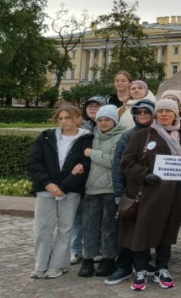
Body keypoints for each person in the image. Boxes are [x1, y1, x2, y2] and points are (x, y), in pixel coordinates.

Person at [119, 98, 181, 291]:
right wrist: (144, 175)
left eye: (169, 111)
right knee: (142, 231)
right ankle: (140, 269)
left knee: (166, 232)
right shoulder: (142, 136)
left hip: (174, 194)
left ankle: (162, 268)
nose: (164, 115)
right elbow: (126, 162)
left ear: (176, 115)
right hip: (148, 192)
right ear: (156, 115)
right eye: (161, 111)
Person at [27, 104, 93, 279]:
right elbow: (34, 162)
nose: (64, 121)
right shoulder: (46, 137)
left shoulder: (87, 139)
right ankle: (40, 265)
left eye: (68, 118)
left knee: (65, 228)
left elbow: (84, 167)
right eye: (61, 118)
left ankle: (58, 265)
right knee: (43, 228)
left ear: (78, 119)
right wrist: (48, 184)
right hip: (46, 190)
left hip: (70, 191)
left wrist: (64, 187)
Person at [105, 98, 155, 286]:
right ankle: (124, 266)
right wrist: (119, 192)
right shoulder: (127, 136)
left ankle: (141, 263)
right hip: (131, 191)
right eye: (138, 112)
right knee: (126, 230)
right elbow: (119, 166)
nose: (142, 115)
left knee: (144, 229)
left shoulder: (159, 134)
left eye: (146, 112)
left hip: (151, 190)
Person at [77, 105, 126, 278]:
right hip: (91, 188)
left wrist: (92, 153)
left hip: (111, 188)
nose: (103, 123)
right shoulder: (92, 137)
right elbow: (82, 156)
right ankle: (88, 258)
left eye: (107, 119)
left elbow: (115, 161)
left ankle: (108, 258)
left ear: (114, 120)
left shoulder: (121, 137)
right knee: (89, 226)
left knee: (109, 226)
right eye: (100, 120)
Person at [71, 94, 107, 265]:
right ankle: (75, 249)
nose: (93, 108)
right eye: (90, 106)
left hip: (98, 179)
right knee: (78, 217)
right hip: (80, 177)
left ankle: (95, 248)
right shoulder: (78, 127)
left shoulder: (106, 127)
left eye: (97, 106)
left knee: (96, 217)